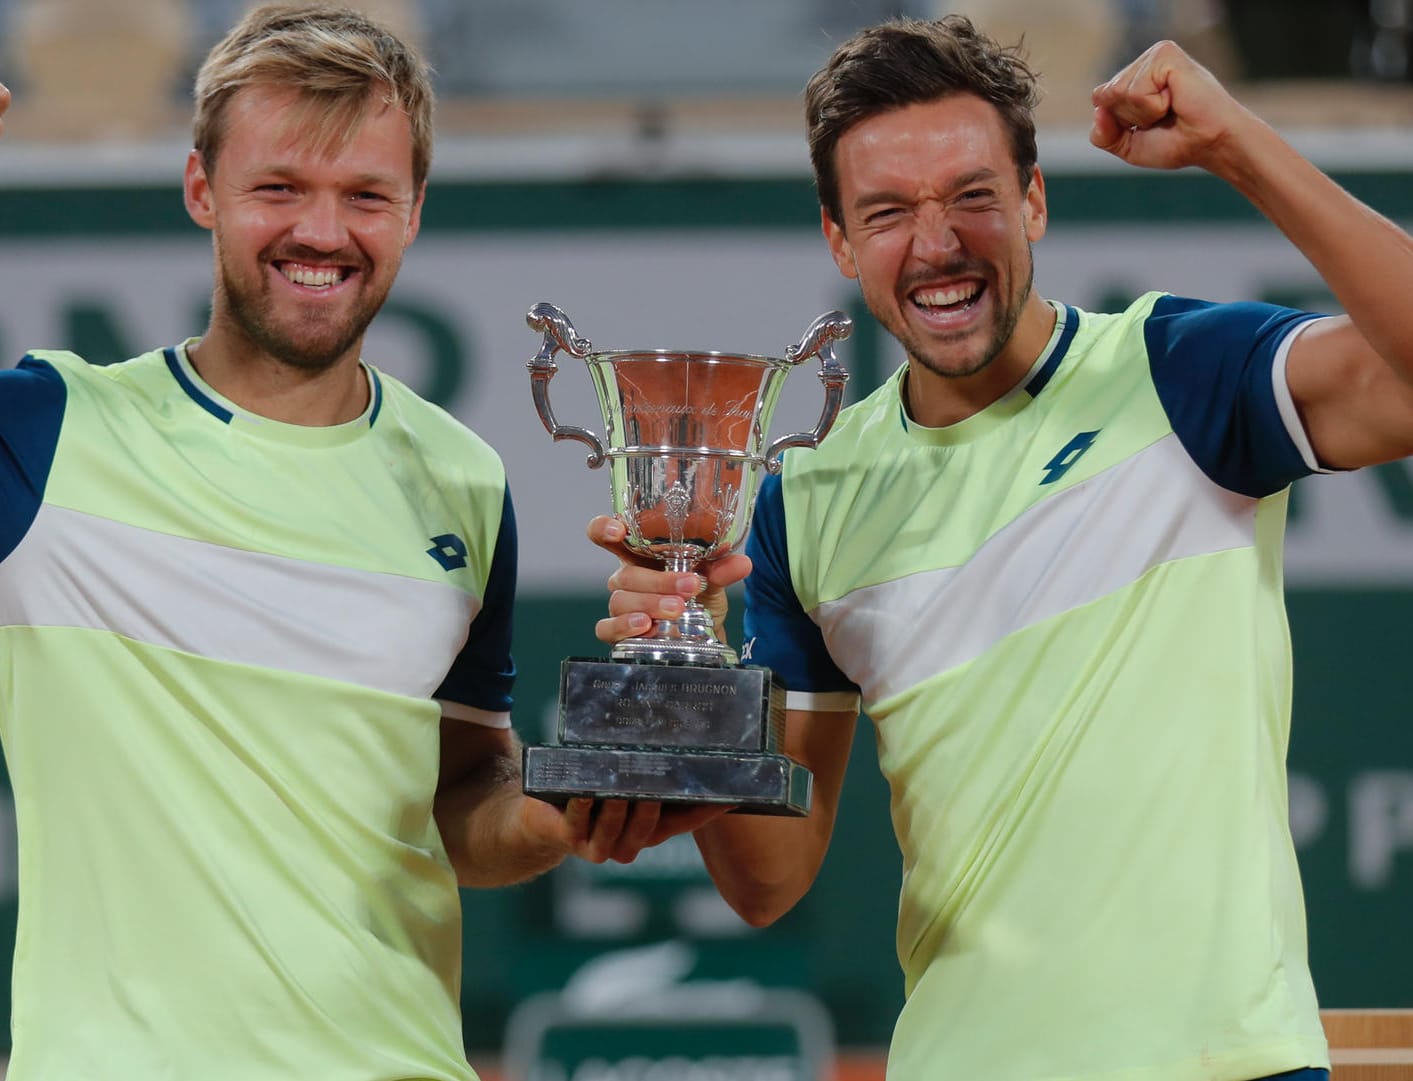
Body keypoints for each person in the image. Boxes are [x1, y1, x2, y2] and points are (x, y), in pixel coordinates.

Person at [0, 5, 722, 1079]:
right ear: (202, 190)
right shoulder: (40, 433)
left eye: (364, 195)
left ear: (413, 211)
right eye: (279, 188)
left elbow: (461, 799)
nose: (321, 233)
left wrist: (564, 814)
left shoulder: (461, 478)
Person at [594, 15, 1413, 1081]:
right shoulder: (806, 501)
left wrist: (1234, 144)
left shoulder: (1177, 373)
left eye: (971, 197)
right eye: (887, 212)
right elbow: (769, 880)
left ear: (1033, 199)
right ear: (839, 242)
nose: (935, 244)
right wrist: (689, 683)